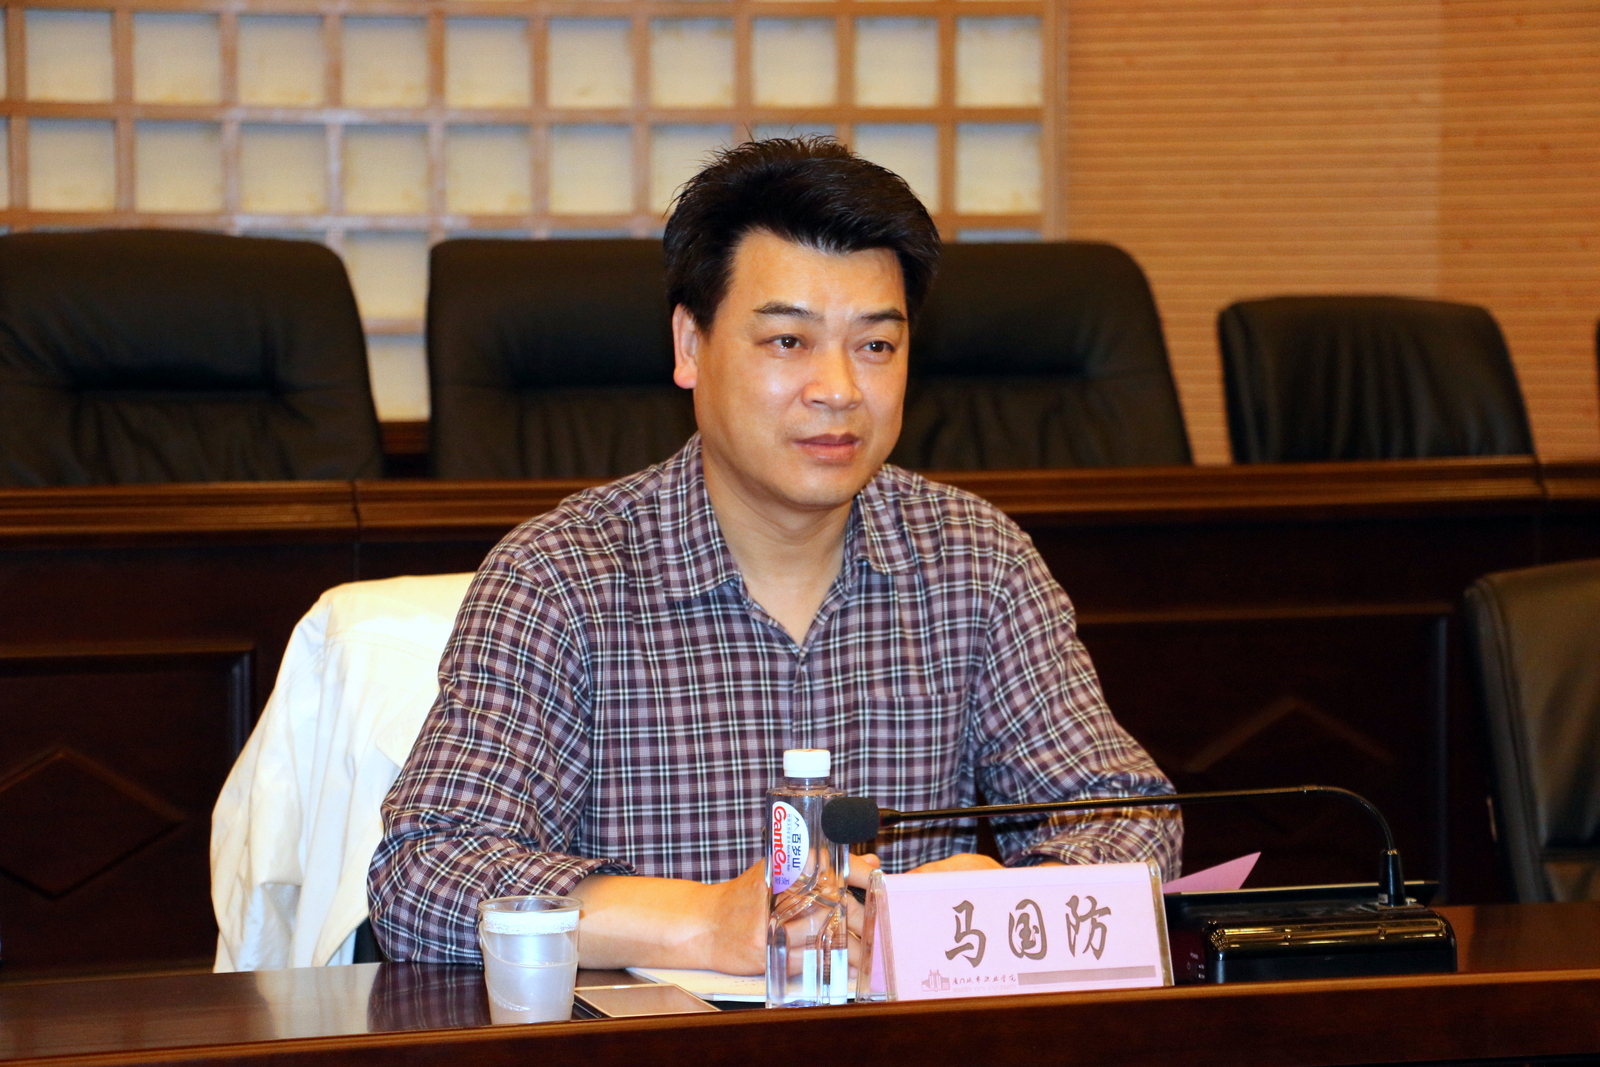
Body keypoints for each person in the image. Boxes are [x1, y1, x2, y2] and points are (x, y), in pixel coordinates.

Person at [368, 137, 1180, 971]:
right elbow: (424, 876)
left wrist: (1006, 897)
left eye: (876, 345)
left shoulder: (976, 561)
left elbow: (1133, 820)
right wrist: (705, 923)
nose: (839, 389)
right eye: (789, 341)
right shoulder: (562, 577)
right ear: (690, 345)